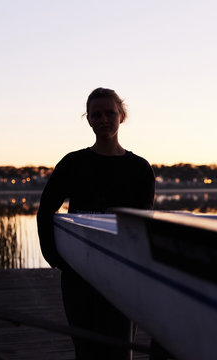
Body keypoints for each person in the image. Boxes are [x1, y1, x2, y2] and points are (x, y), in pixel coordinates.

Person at [37, 87, 155, 359]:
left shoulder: (139, 168)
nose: (103, 119)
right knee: (86, 350)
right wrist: (56, 258)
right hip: (79, 273)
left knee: (120, 350)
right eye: (96, 114)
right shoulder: (73, 163)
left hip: (123, 273)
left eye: (109, 113)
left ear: (121, 116)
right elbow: (45, 212)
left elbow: (141, 225)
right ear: (88, 119)